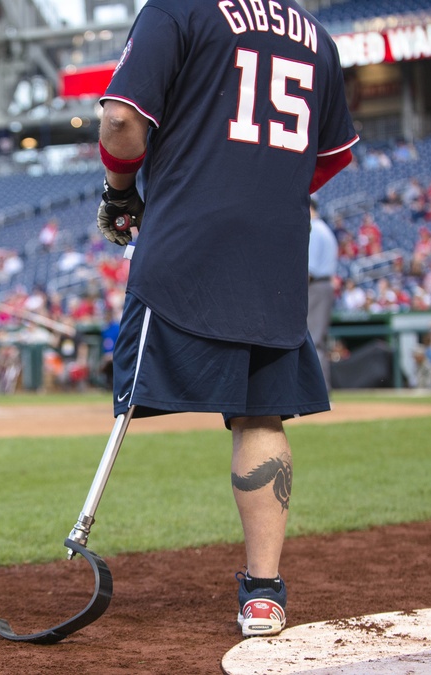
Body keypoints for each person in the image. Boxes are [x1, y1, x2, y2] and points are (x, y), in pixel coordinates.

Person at [95, 0, 358, 638]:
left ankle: (82, 531)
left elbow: (122, 122)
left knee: (131, 399)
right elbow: (329, 158)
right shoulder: (314, 33)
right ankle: (263, 593)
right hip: (276, 251)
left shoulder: (177, 8)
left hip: (186, 238)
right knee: (261, 413)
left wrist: (122, 192)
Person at [308, 200, 337, 390]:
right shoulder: (325, 229)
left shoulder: (315, 231)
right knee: (317, 340)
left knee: (313, 340)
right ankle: (321, 392)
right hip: (324, 285)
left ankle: (318, 393)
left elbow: (308, 271)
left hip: (316, 285)